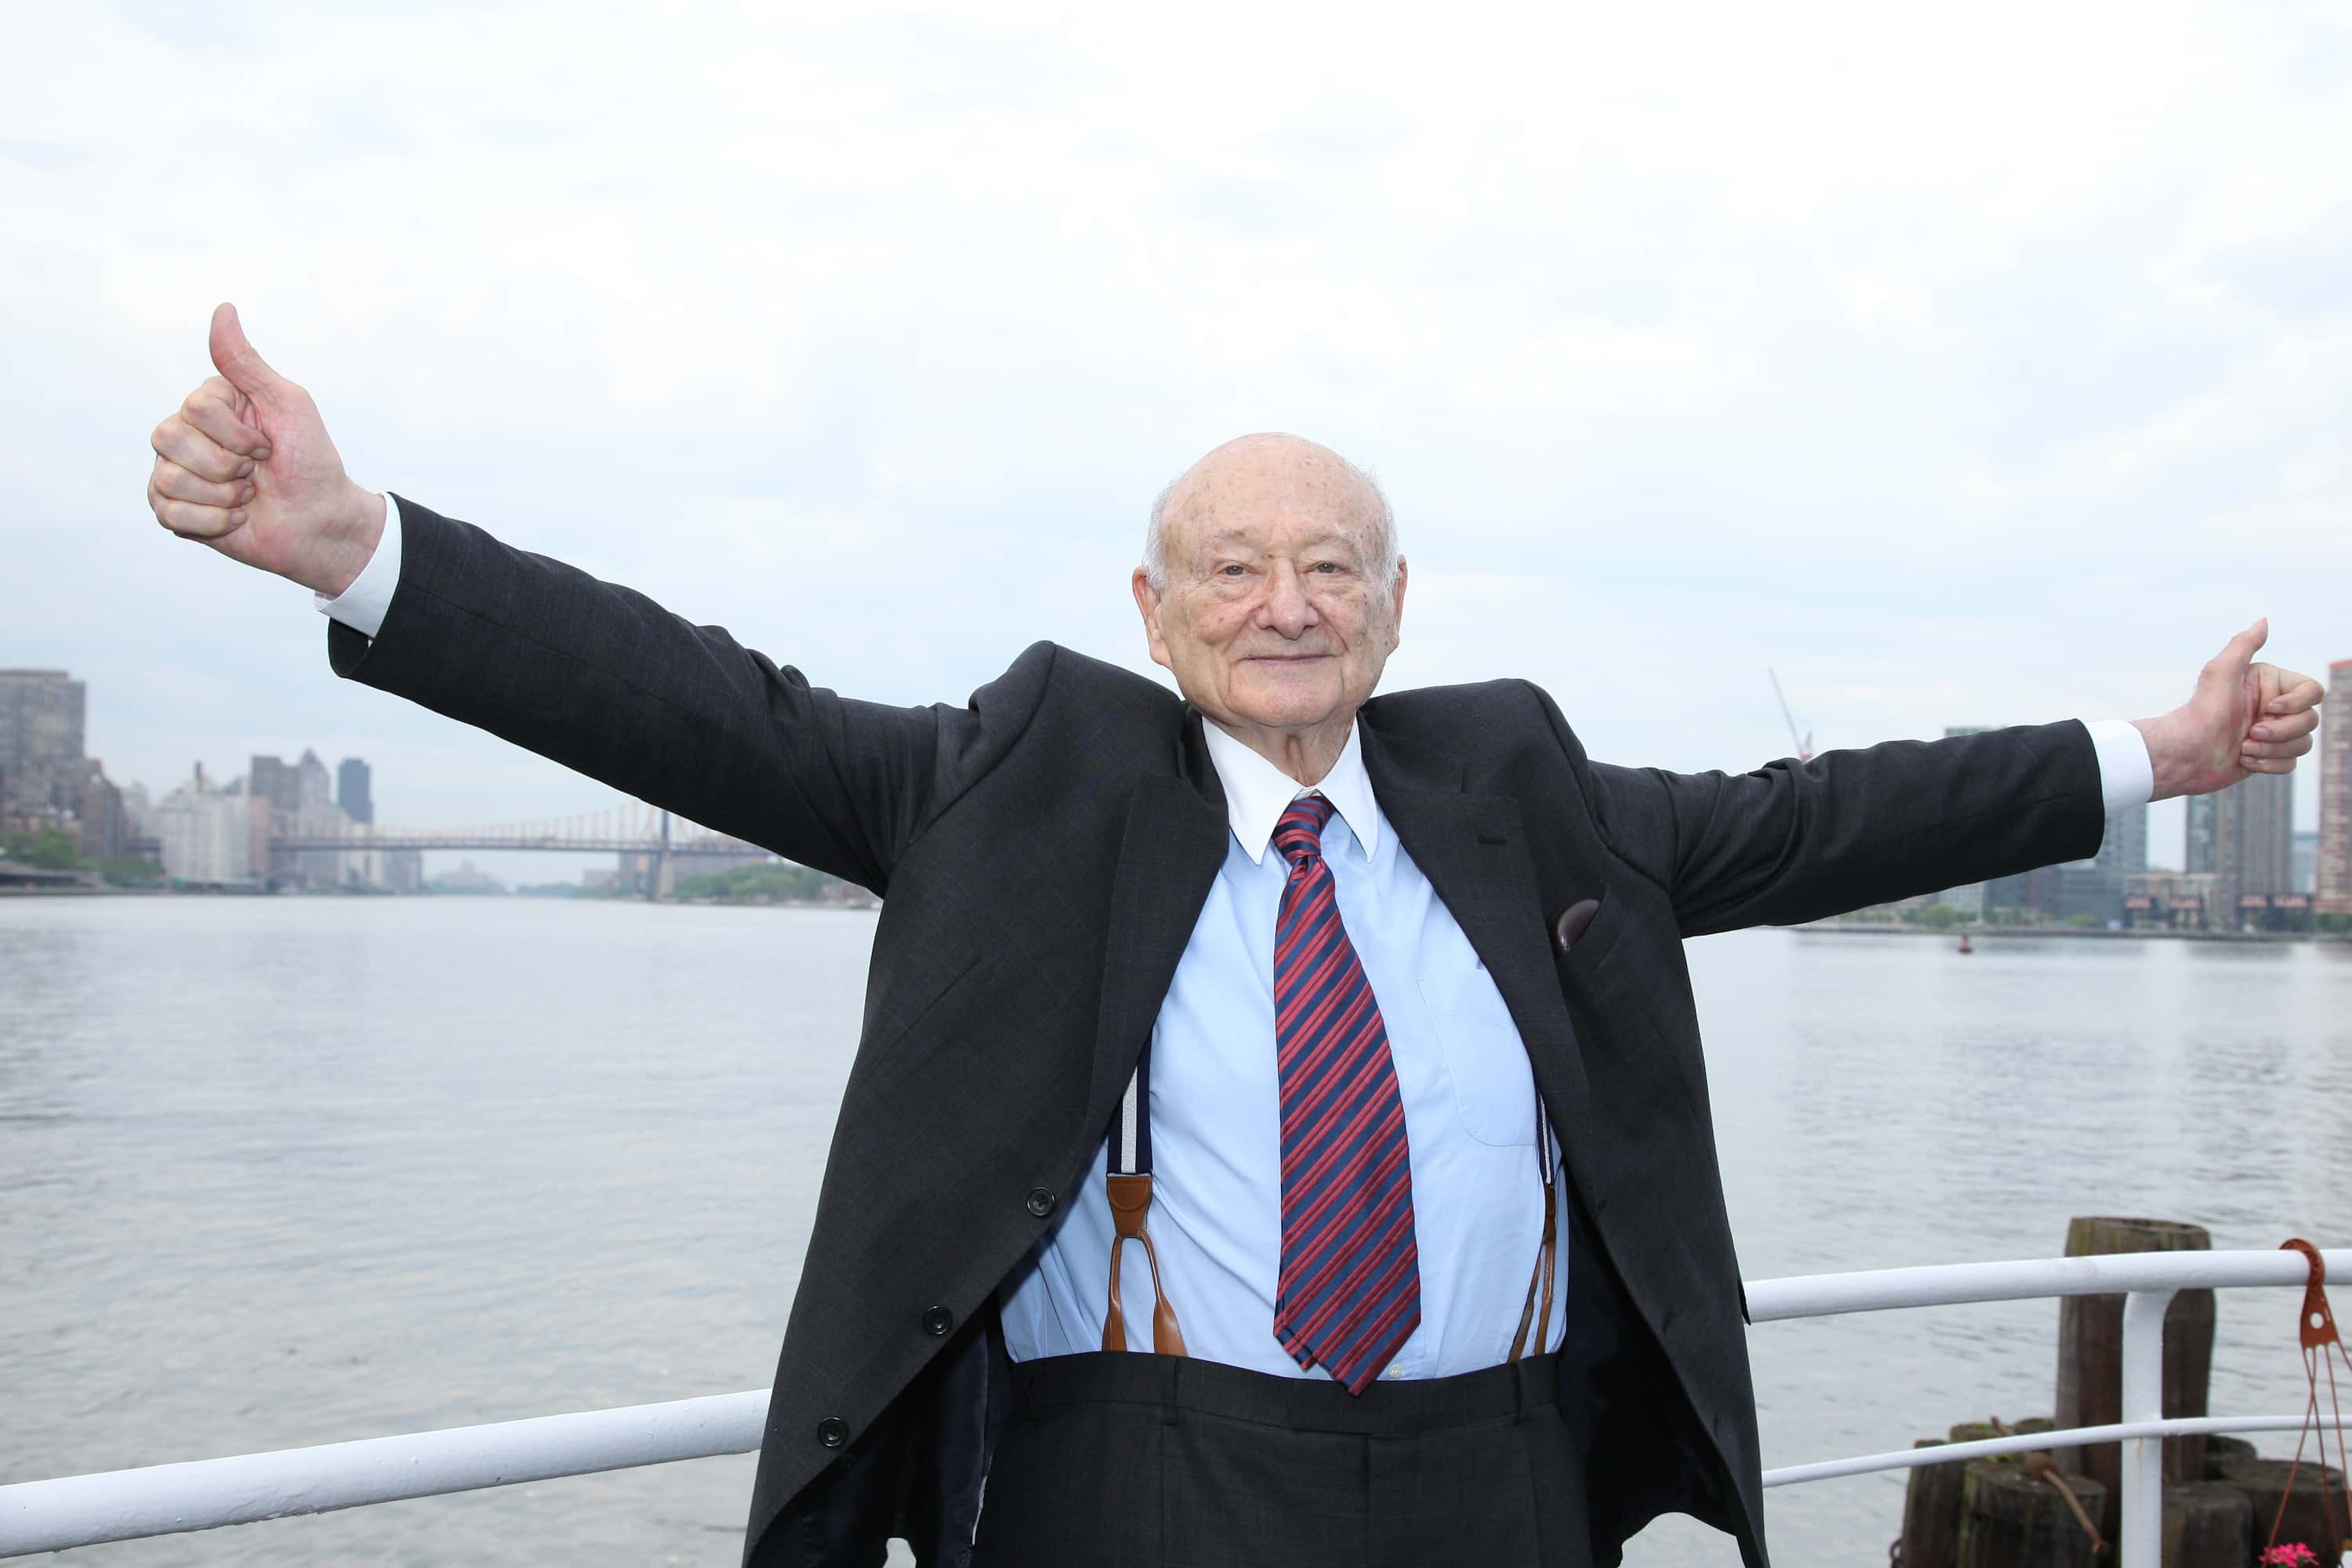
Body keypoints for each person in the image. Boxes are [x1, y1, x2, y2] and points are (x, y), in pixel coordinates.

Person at [147, 304, 2321, 1568]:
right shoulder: (1010, 781)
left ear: (1398, 604)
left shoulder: (1530, 790)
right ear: (1153, 607)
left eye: (1332, 565)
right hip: (1140, 1477)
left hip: (1504, 1476)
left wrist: (2161, 749)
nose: (1287, 604)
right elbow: (694, 702)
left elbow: (1836, 815)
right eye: (1234, 567)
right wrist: (357, 548)